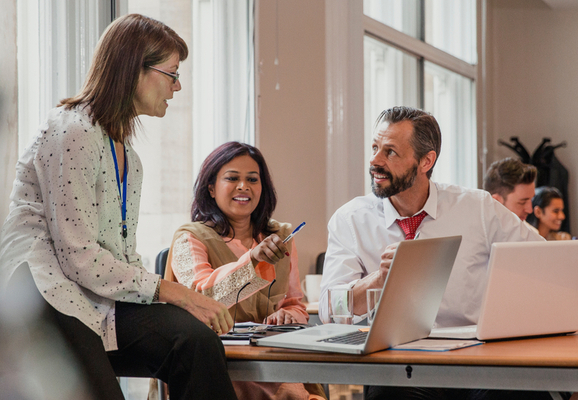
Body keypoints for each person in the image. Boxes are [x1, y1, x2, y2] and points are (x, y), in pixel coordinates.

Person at [0, 14, 237, 400]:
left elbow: (117, 255)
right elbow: (78, 257)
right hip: (43, 292)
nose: (177, 86)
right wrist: (174, 293)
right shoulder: (72, 132)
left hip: (92, 295)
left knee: (195, 341)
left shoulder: (128, 158)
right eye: (172, 73)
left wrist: (175, 299)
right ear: (133, 70)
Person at [319, 106, 545, 400]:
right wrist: (379, 278)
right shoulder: (350, 219)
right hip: (397, 364)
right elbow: (329, 310)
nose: (375, 160)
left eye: (390, 152)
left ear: (426, 161)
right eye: (375, 147)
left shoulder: (477, 207)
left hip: (477, 358)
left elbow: (541, 258)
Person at [165, 141, 326, 400]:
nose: (244, 187)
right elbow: (203, 297)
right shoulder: (189, 237)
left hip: (274, 360)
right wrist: (252, 260)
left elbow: (297, 305)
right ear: (211, 188)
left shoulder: (280, 236)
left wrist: (287, 315)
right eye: (232, 178)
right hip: (219, 367)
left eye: (252, 179)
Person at [483, 157, 537, 222]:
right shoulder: (473, 230)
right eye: (522, 203)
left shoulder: (530, 231)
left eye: (531, 200)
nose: (530, 210)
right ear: (496, 202)